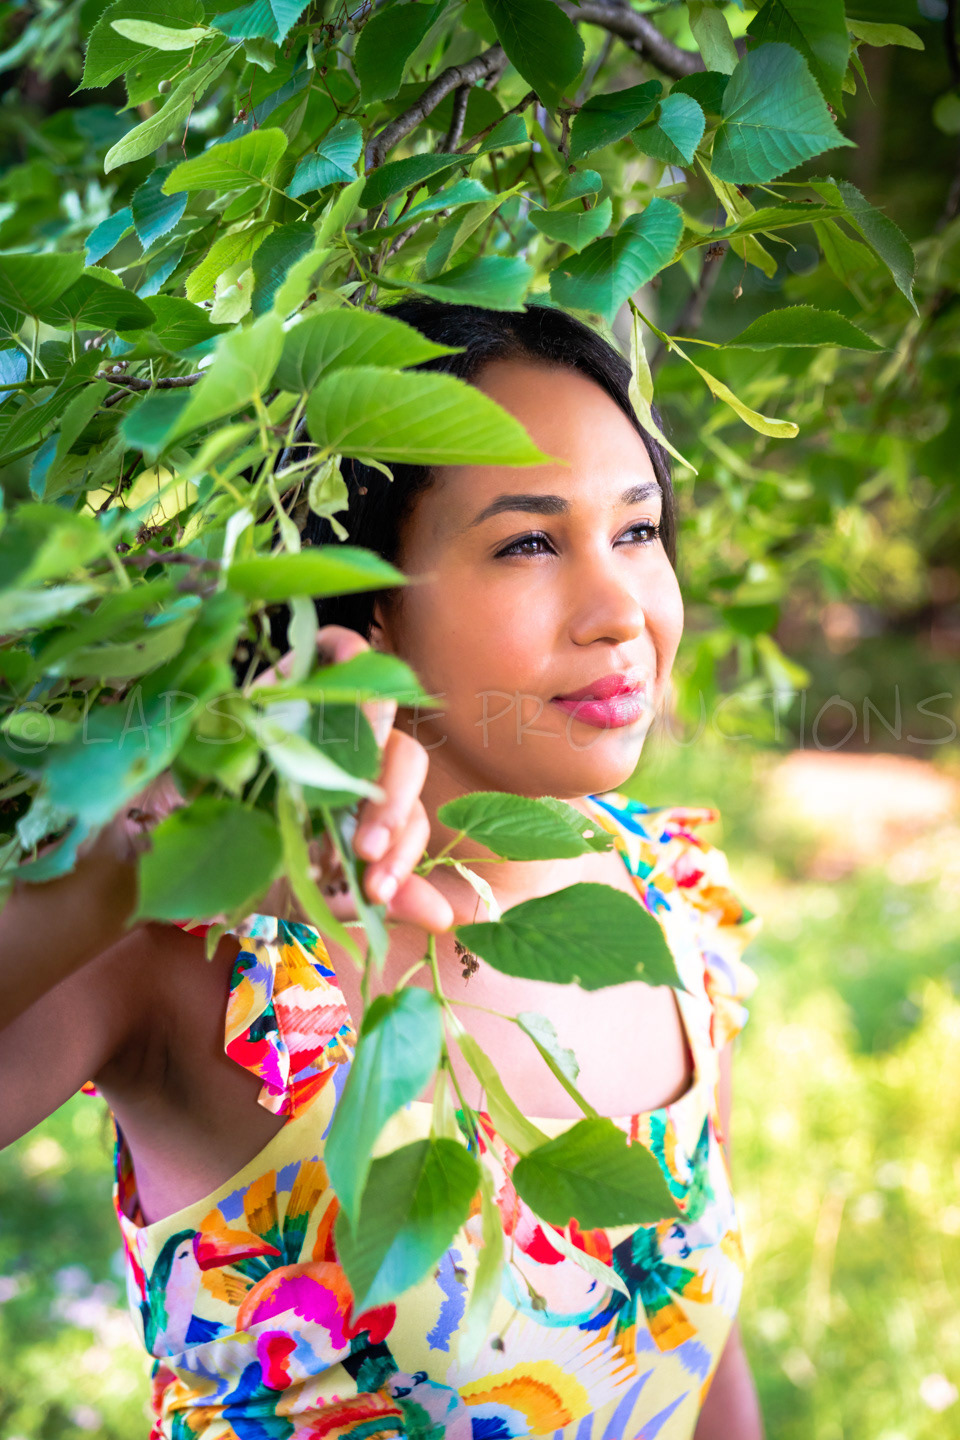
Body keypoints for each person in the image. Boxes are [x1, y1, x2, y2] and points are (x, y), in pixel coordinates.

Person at [0, 300, 765, 1439]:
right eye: (529, 542)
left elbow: (695, 1347)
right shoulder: (200, 953)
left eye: (639, 532)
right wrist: (123, 861)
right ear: (371, 605)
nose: (621, 614)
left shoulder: (665, 895)